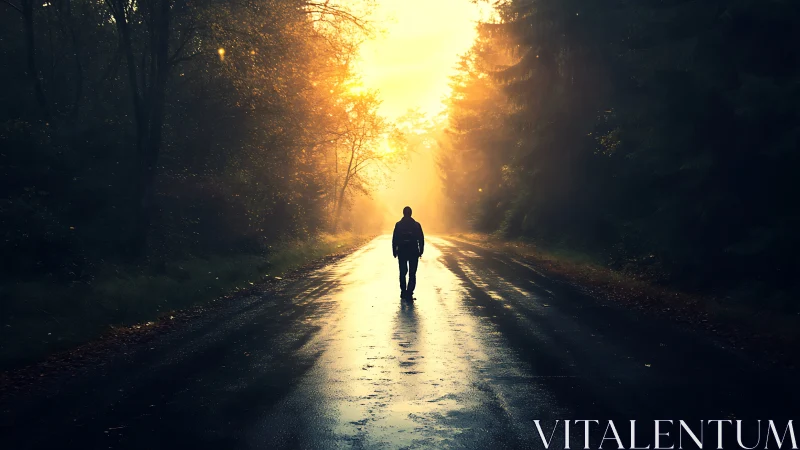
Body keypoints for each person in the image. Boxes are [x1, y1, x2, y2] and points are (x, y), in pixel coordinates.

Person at [392, 206, 424, 300]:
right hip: (413, 251)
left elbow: (395, 239)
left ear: (403, 213)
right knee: (412, 273)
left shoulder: (398, 225)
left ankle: (403, 291)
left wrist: (394, 250)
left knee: (402, 272)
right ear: (411, 213)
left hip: (402, 252)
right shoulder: (416, 225)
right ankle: (409, 292)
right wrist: (421, 250)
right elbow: (421, 238)